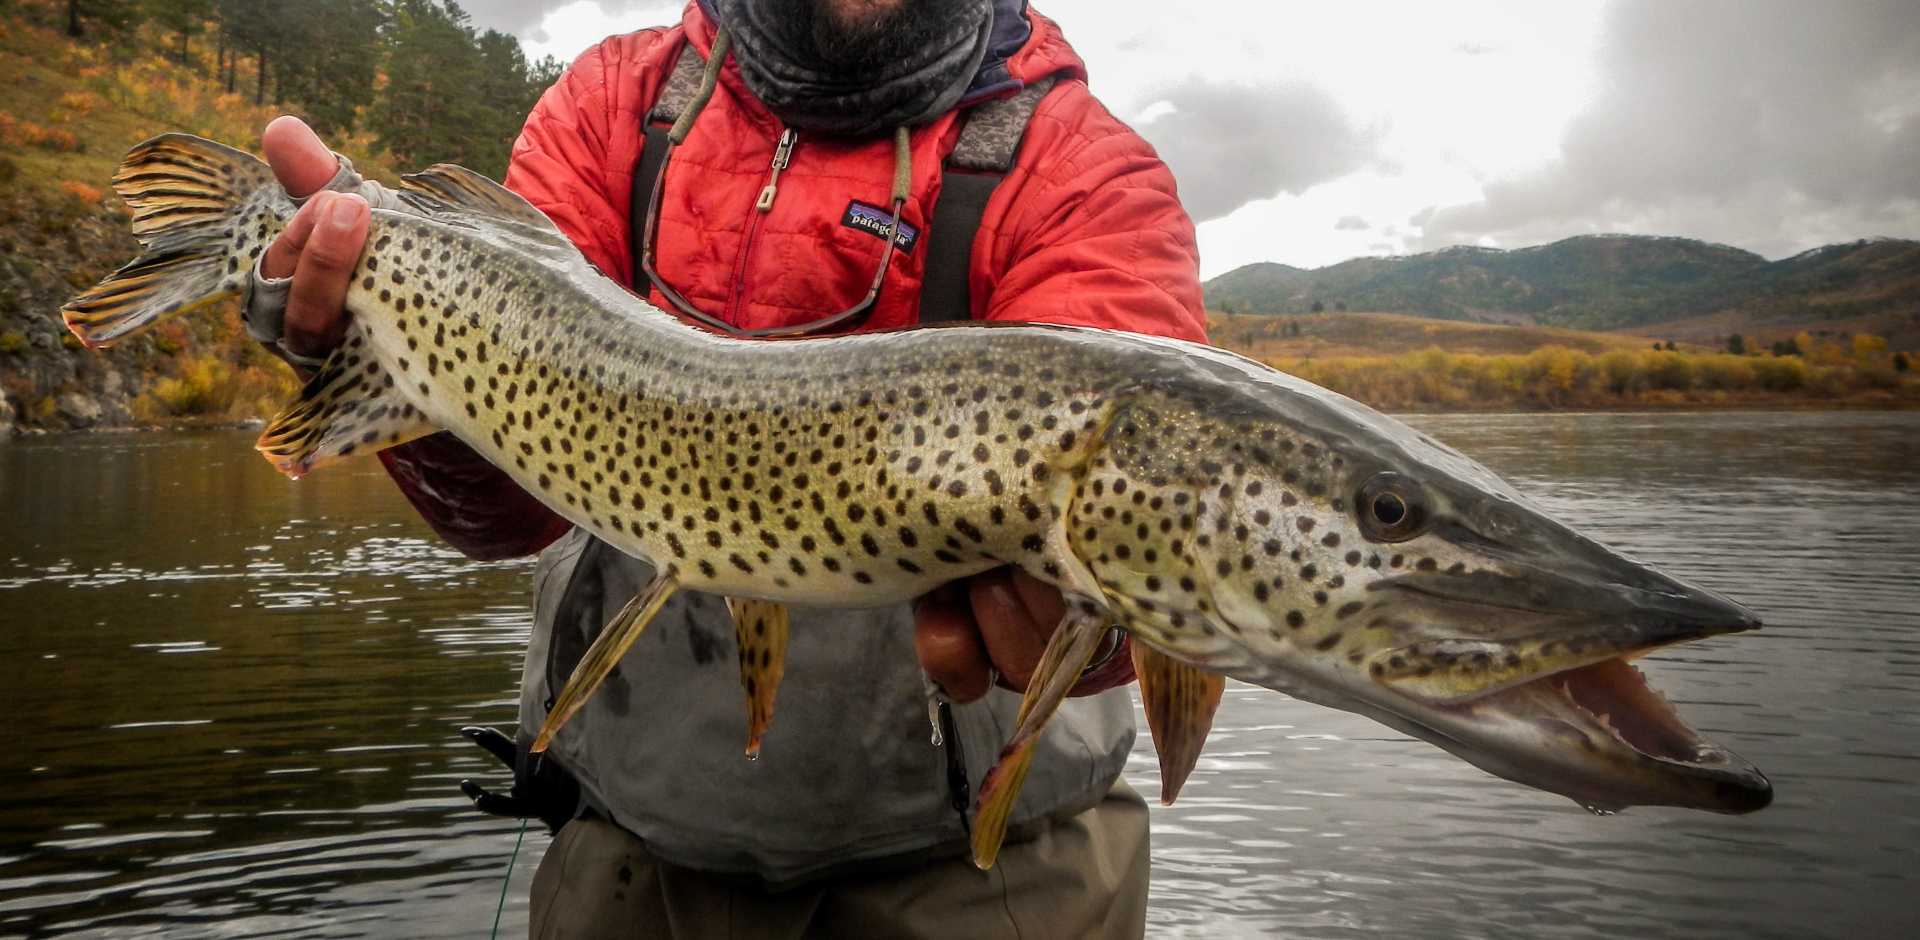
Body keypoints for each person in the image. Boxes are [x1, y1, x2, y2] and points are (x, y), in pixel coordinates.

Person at [248, 0, 1204, 935]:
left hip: (990, 881)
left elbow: (1149, 491)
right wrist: (381, 351)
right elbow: (507, 515)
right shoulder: (616, 105)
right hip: (633, 853)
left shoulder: (1083, 170)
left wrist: (1111, 629)